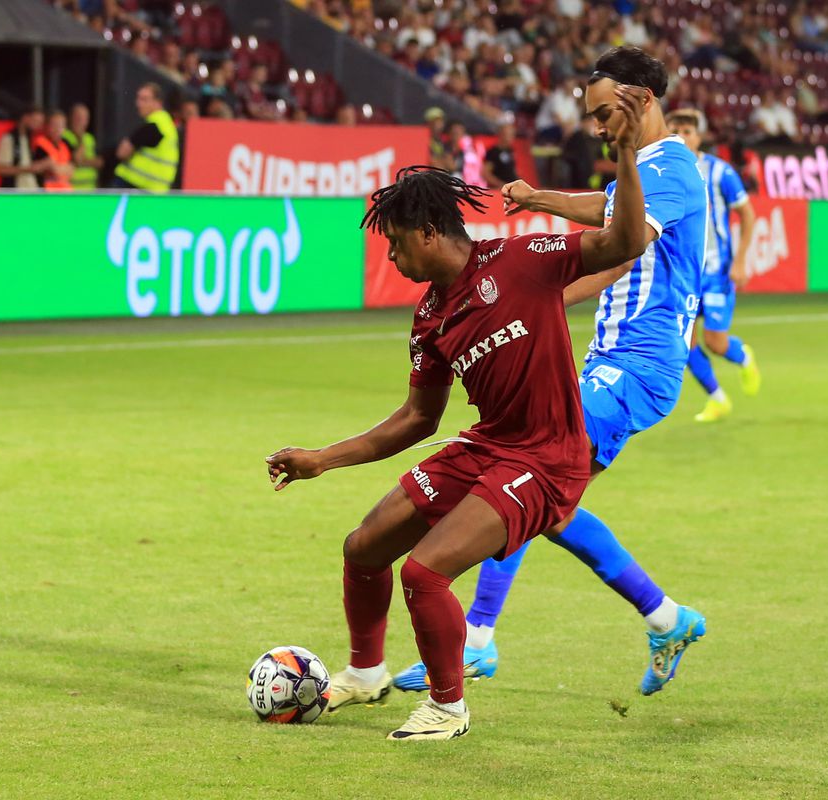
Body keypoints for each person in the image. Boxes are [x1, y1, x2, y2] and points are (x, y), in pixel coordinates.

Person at [265, 86, 652, 742]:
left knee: (424, 572)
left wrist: (627, 155)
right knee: (364, 548)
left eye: (395, 244)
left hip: (548, 459)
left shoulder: (524, 260)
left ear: (427, 232)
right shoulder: (429, 317)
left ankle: (447, 707)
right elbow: (418, 418)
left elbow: (626, 240)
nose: (391, 258)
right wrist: (322, 460)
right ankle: (365, 672)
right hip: (490, 446)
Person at [392, 46, 709, 698]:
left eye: (604, 112)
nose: (596, 126)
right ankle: (665, 618)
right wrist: (540, 198)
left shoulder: (671, 167)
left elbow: (624, 245)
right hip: (613, 360)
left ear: (642, 100)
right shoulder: (648, 168)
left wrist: (541, 290)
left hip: (640, 365)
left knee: (525, 472)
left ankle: (477, 639)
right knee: (546, 503)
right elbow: (605, 209)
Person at [667, 109, 760, 422]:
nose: (681, 137)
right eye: (675, 130)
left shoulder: (720, 172)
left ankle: (743, 356)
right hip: (684, 274)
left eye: (687, 131)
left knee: (716, 342)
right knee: (685, 343)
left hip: (717, 272)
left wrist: (741, 260)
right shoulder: (663, 172)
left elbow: (747, 214)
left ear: (699, 137)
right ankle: (717, 398)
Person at [113, 83, 179, 193]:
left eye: (144, 99)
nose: (138, 104)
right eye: (138, 98)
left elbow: (122, 153)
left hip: (135, 187)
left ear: (158, 102)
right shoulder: (166, 124)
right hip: (155, 191)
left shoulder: (154, 126)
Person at [0, 107, 49, 190]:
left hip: (33, 190)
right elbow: (1, 170)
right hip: (16, 191)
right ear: (25, 118)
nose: (38, 126)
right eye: (36, 121)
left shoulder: (33, 139)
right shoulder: (9, 138)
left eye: (40, 123)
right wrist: (29, 169)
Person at [31, 110, 74, 190]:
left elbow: (71, 170)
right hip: (47, 191)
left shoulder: (65, 143)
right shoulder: (40, 143)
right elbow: (51, 170)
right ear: (47, 126)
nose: (57, 129)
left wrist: (57, 168)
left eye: (61, 125)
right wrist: (61, 168)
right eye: (54, 125)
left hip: (65, 191)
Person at [63, 103, 102, 190]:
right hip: (73, 189)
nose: (81, 121)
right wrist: (80, 138)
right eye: (78, 117)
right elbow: (77, 160)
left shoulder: (89, 138)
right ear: (70, 118)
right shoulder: (65, 136)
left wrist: (86, 161)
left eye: (85, 118)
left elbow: (99, 162)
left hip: (90, 188)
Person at [481, 120, 518, 189]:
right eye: (507, 134)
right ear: (500, 134)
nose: (510, 138)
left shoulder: (510, 151)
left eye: (512, 135)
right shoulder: (494, 152)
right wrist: (501, 185)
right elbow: (485, 173)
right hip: (500, 190)